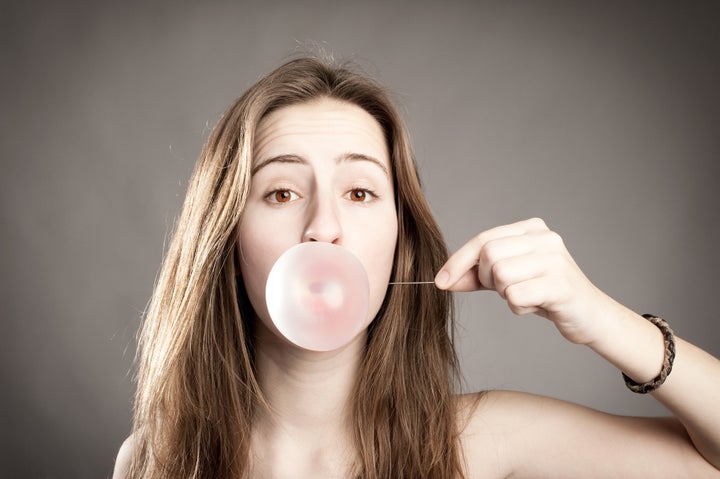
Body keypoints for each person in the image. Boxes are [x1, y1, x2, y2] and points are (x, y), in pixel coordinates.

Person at [113, 55, 720, 478]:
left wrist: (599, 318)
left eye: (359, 193)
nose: (324, 227)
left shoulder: (473, 444)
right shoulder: (154, 461)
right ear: (225, 237)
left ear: (399, 240)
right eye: (280, 193)